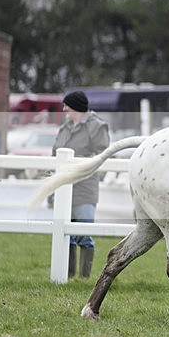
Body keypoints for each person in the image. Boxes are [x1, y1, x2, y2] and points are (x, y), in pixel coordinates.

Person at [52, 91, 110, 278]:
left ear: (75, 106)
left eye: (66, 105)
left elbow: (102, 154)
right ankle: (68, 274)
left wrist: (77, 167)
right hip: (64, 188)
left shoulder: (97, 126)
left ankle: (84, 277)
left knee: (84, 235)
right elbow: (55, 155)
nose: (63, 109)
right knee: (65, 235)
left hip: (84, 188)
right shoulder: (64, 128)